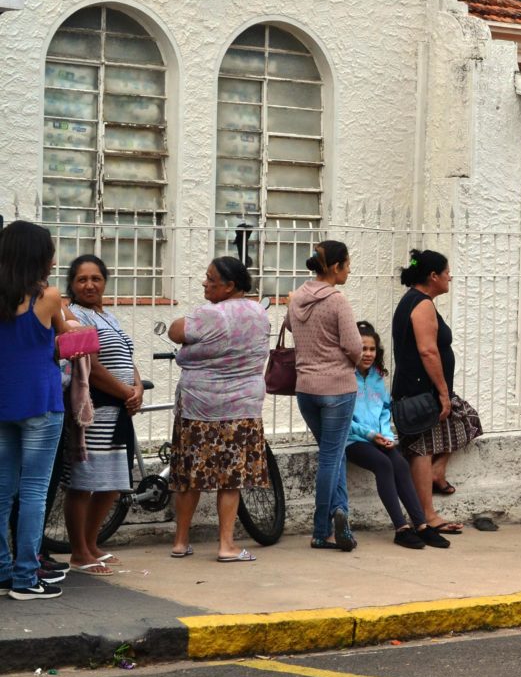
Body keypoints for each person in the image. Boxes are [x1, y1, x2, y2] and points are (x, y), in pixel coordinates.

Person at [167, 257, 270, 563]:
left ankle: (180, 541)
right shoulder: (259, 313)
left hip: (199, 407)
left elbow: (175, 332)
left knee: (189, 475)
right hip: (242, 408)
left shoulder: (210, 314)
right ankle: (226, 545)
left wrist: (190, 353)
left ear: (230, 286)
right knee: (231, 479)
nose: (205, 283)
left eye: (211, 279)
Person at [0, 221, 76, 600]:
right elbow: (67, 334)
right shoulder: (48, 296)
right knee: (33, 491)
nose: (54, 260)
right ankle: (26, 577)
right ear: (37, 256)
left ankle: (2, 571)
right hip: (41, 402)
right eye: (50, 253)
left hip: (4, 401)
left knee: (2, 491)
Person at [64, 255, 144, 575]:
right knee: (84, 483)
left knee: (111, 483)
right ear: (72, 284)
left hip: (118, 409)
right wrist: (126, 392)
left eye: (95, 278)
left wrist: (137, 387)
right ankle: (79, 552)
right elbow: (92, 367)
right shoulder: (73, 314)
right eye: (82, 279)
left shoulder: (107, 316)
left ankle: (92, 542)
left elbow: (126, 356)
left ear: (105, 282)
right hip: (94, 409)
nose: (89, 285)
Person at [287, 241, 363, 553]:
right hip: (337, 389)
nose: (349, 270)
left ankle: (339, 511)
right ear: (334, 267)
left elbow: (290, 327)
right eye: (347, 264)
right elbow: (355, 346)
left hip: (305, 389)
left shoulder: (296, 297)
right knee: (331, 456)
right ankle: (321, 530)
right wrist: (352, 362)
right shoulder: (337, 301)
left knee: (335, 451)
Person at [390, 249, 467, 542]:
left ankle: (436, 476)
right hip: (419, 392)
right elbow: (428, 351)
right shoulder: (421, 304)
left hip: (418, 390)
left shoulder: (416, 301)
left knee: (466, 420)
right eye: (446, 272)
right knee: (422, 450)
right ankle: (426, 516)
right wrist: (443, 393)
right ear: (433, 276)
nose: (450, 277)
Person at [346, 321, 440, 549]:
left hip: (378, 437)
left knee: (400, 464)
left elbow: (384, 410)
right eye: (363, 348)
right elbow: (344, 419)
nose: (368, 354)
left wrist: (386, 435)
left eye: (372, 349)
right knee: (384, 465)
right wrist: (370, 435)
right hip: (353, 439)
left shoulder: (377, 377)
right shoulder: (345, 376)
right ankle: (401, 528)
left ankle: (421, 525)